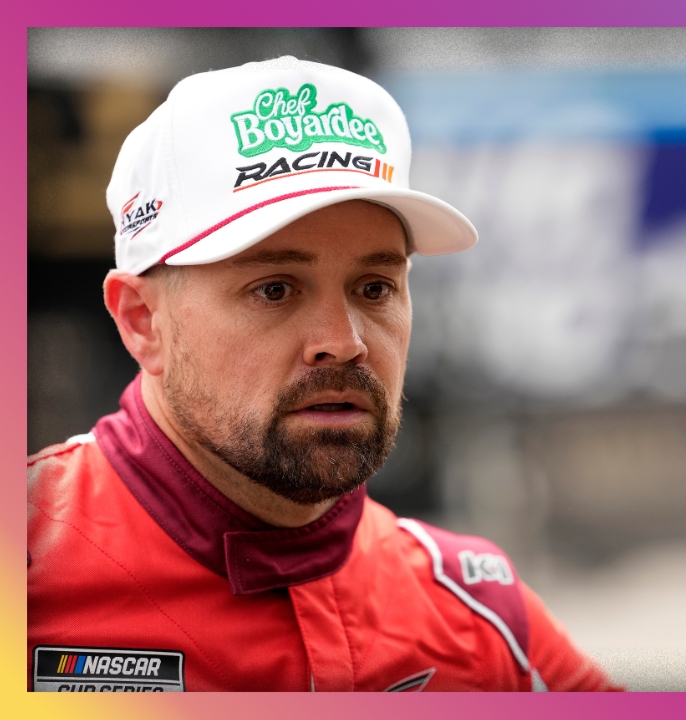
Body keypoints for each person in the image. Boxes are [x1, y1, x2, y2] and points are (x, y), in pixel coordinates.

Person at [27, 56, 620, 692]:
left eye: (374, 286)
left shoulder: (480, 616)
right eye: (275, 289)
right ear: (144, 322)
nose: (343, 343)